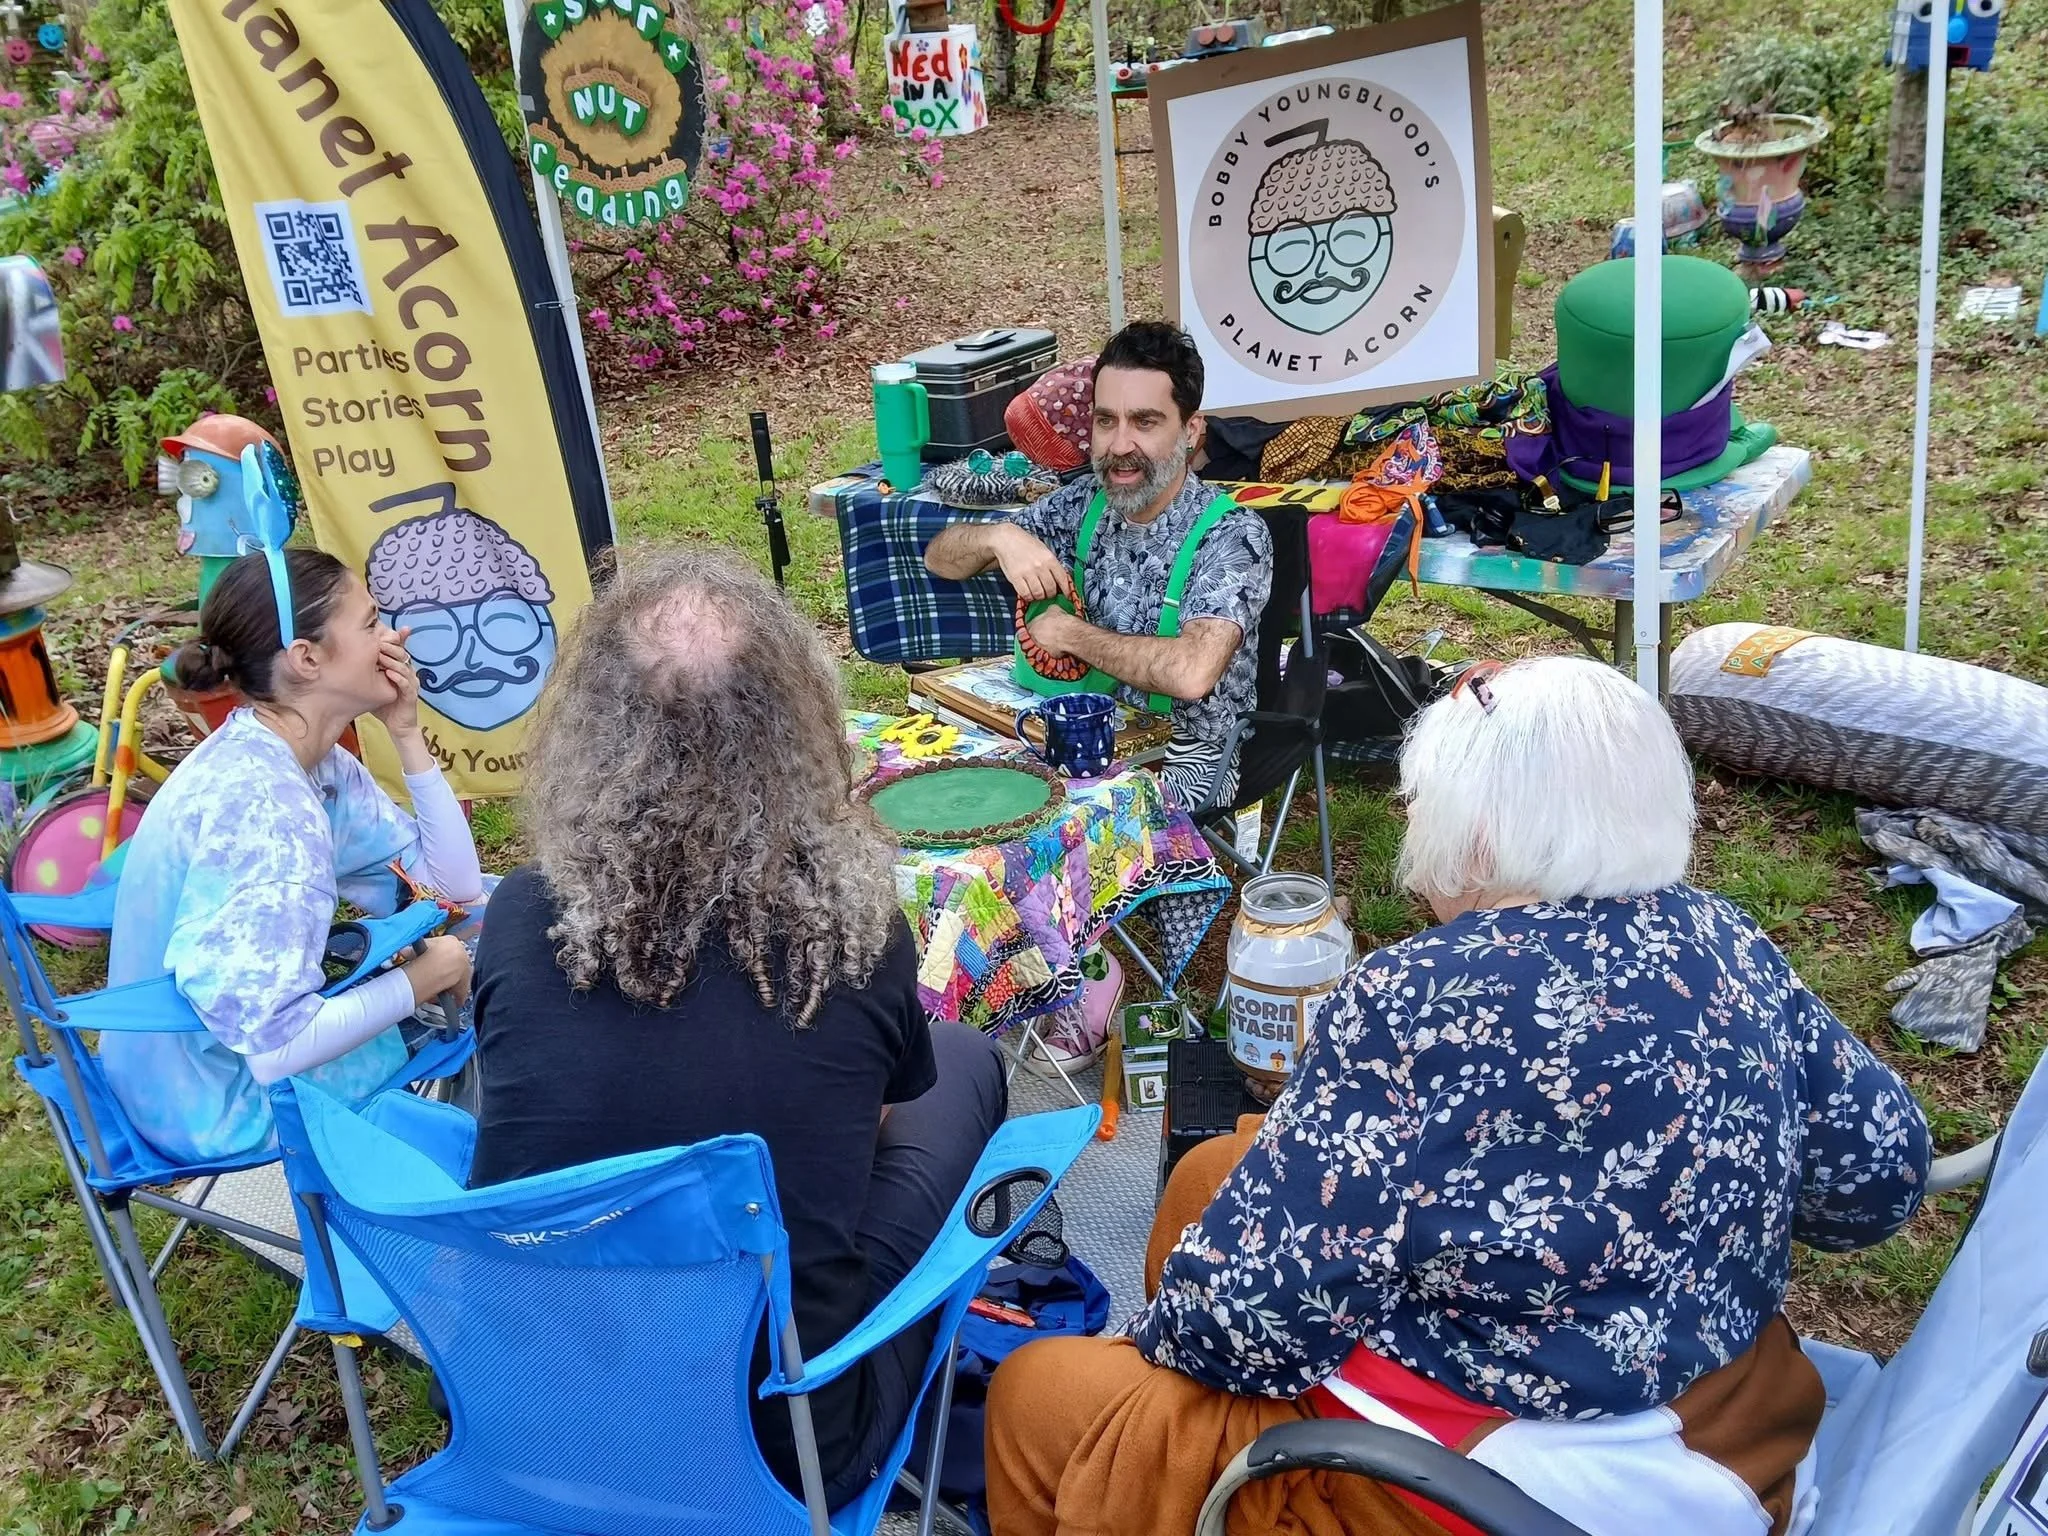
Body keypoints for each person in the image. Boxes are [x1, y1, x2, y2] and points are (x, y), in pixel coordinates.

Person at [986, 656, 1933, 1536]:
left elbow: (1247, 1317)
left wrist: (1161, 1354)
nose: (1407, 826)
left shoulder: (1420, 998)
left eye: (1416, 805)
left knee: (1039, 1394)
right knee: (1209, 1174)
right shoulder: (1723, 939)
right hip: (1732, 1409)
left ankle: (1192, 1466)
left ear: (1475, 835)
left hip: (1531, 1485)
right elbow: (1877, 1182)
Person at [467, 548, 1008, 1512]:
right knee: (962, 1062)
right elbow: (874, 1133)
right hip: (785, 1446)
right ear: (797, 729)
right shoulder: (853, 931)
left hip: (535, 1419)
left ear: (590, 733)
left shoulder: (519, 913)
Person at [104, 549, 483, 1165]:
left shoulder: (301, 756)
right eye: (370, 623)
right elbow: (276, 1046)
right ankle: (483, 1193)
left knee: (489, 923)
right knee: (498, 977)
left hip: (183, 1059)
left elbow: (453, 888)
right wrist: (424, 979)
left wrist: (407, 732)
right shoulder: (272, 816)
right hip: (213, 1106)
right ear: (306, 659)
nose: (393, 636)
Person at [925, 320, 1273, 811]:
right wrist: (997, 537)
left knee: (1047, 816)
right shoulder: (1083, 504)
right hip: (1086, 727)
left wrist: (1067, 634)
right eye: (1106, 420)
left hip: (1191, 754)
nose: (1119, 444)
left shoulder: (1232, 535)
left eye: (1145, 422)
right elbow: (939, 558)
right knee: (962, 785)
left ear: (1190, 432)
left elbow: (1192, 674)